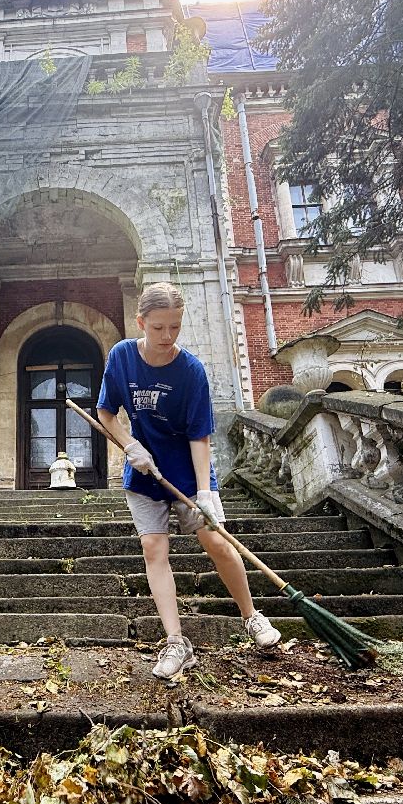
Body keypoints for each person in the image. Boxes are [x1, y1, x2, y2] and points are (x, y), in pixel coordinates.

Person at [96, 281, 282, 680]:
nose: (167, 336)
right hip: (143, 470)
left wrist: (204, 492)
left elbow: (200, 437)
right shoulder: (122, 357)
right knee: (152, 547)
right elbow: (105, 413)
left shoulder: (192, 371)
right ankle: (177, 642)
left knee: (216, 540)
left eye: (175, 327)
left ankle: (252, 617)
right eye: (159, 327)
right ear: (141, 321)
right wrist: (130, 446)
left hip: (187, 469)